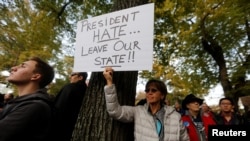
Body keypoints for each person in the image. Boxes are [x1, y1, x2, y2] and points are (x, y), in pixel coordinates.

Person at [103, 67, 189, 141]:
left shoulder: (175, 116)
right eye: (147, 90)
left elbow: (185, 139)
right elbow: (114, 111)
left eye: (154, 90)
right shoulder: (138, 111)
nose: (149, 93)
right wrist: (109, 82)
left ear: (162, 95)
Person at [0, 56, 54, 141]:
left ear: (35, 76)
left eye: (23, 66)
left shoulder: (34, 106)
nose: (13, 68)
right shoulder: (22, 102)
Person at [51, 72, 88, 141]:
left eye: (73, 75)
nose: (70, 77)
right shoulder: (87, 91)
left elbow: (59, 107)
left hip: (61, 128)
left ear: (80, 78)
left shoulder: (69, 88)